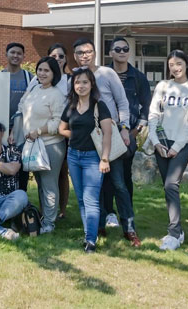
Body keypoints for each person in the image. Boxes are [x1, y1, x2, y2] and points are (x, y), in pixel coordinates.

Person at [72, 37, 137, 244]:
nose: (85, 56)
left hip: (110, 134)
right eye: (80, 53)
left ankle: (129, 227)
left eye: (88, 51)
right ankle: (97, 226)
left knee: (118, 182)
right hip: (86, 140)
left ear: (95, 53)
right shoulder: (73, 78)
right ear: (75, 56)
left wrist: (125, 128)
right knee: (94, 186)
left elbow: (123, 103)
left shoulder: (107, 74)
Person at [148, 49, 188, 251]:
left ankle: (174, 232)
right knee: (167, 187)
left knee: (172, 185)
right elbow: (153, 114)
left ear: (187, 64)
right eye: (171, 64)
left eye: (179, 63)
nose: (175, 68)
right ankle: (177, 231)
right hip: (161, 143)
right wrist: (155, 142)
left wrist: (176, 147)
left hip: (182, 145)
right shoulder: (163, 86)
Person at [59, 67, 112, 253]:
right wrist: (75, 134)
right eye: (77, 82)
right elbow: (61, 129)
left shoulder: (99, 106)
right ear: (73, 86)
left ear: (91, 84)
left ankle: (90, 240)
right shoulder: (71, 106)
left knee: (91, 200)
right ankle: (88, 233)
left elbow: (107, 134)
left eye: (85, 82)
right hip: (73, 156)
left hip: (93, 158)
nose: (81, 86)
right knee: (81, 199)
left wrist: (104, 159)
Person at [108, 37, 151, 245]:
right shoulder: (103, 75)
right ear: (111, 53)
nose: (123, 52)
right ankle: (107, 216)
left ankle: (128, 223)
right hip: (104, 136)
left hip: (127, 137)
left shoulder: (139, 78)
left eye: (126, 49)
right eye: (118, 49)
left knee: (123, 180)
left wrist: (133, 133)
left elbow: (146, 108)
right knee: (107, 180)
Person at [16, 56, 66, 233]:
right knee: (40, 184)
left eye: (47, 70)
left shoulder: (56, 94)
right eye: (40, 69)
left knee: (49, 184)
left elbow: (58, 122)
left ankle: (50, 223)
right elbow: (22, 106)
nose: (42, 73)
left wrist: (39, 131)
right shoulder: (34, 88)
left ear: (54, 73)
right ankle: (45, 217)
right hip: (33, 145)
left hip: (50, 145)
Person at [44, 43, 71, 219]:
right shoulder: (41, 78)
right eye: (54, 56)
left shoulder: (70, 79)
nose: (58, 59)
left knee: (62, 172)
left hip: (65, 130)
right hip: (45, 132)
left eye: (61, 56)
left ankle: (62, 209)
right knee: (46, 172)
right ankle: (46, 207)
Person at [4, 42, 32, 191]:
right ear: (6, 54)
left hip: (21, 128)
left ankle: (22, 196)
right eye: (12, 52)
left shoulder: (29, 77)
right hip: (1, 127)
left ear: (23, 56)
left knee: (22, 165)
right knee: (3, 163)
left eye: (19, 53)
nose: (15, 56)